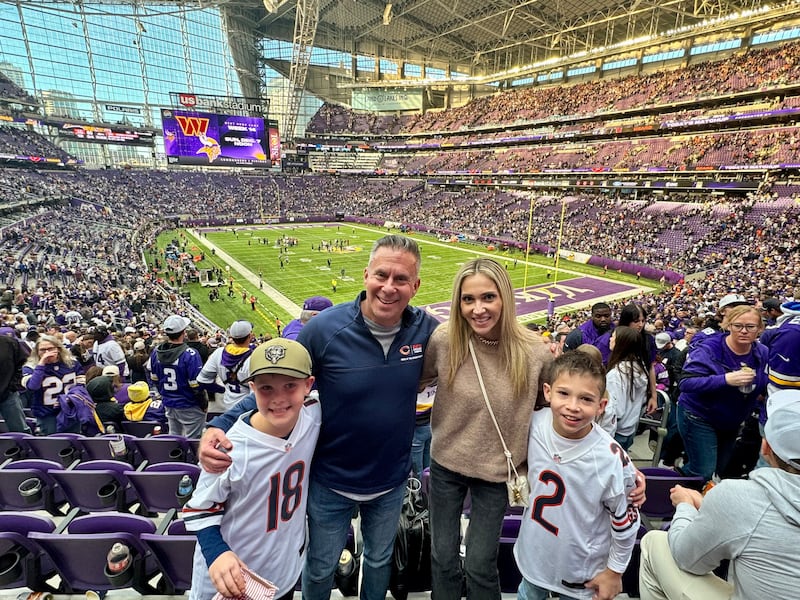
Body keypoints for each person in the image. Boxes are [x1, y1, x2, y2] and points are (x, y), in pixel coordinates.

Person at [197, 235, 439, 600]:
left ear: (415, 286)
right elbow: (278, 383)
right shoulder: (325, 329)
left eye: (401, 279)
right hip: (331, 481)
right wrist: (218, 424)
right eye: (381, 275)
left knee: (379, 560)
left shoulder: (429, 331)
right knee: (321, 565)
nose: (389, 287)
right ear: (366, 275)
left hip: (391, 480)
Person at [419, 258, 554, 600]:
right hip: (447, 464)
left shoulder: (535, 352)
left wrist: (620, 463)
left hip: (498, 472)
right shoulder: (445, 340)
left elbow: (560, 411)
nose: (477, 309)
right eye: (468, 299)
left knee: (480, 562)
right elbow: (410, 380)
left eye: (488, 298)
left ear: (505, 297)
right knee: (443, 557)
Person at [183, 339, 321, 600]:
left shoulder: (313, 414)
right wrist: (218, 554)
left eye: (290, 385)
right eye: (267, 388)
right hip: (233, 579)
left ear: (308, 386)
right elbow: (198, 509)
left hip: (284, 571)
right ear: (252, 389)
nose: (279, 398)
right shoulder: (228, 448)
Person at [638, 389, 800, 600]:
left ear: (766, 447)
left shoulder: (740, 497)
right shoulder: (738, 499)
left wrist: (685, 506)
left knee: (654, 542)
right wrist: (712, 506)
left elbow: (687, 558)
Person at [515, 351, 639, 600]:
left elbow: (625, 525)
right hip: (534, 555)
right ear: (547, 392)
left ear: (601, 405)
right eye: (564, 393)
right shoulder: (534, 423)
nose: (573, 406)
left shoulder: (609, 459)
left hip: (582, 569)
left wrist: (615, 571)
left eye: (585, 399)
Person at [676, 305, 768, 482]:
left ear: (760, 329)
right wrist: (726, 380)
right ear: (728, 325)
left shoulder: (761, 352)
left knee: (719, 467)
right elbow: (686, 382)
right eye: (737, 326)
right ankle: (681, 496)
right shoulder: (710, 349)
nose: (743, 331)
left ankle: (685, 475)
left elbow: (763, 383)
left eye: (750, 327)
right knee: (703, 470)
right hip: (699, 416)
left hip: (731, 421)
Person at [148, 314, 206, 438]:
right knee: (194, 441)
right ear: (183, 332)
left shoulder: (155, 352)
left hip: (168, 402)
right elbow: (196, 386)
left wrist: (165, 396)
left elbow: (155, 380)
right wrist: (203, 404)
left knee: (174, 438)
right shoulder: (190, 354)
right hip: (188, 404)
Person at [22, 334, 85, 434]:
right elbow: (33, 386)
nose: (47, 352)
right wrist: (41, 364)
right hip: (47, 414)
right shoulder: (30, 367)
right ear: (37, 352)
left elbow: (81, 385)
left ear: (58, 349)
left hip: (70, 410)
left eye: (50, 348)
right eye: (42, 350)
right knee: (54, 445)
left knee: (74, 444)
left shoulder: (72, 363)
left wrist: (69, 399)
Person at [605, 326, 651, 451]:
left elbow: (615, 411)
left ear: (621, 343)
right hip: (630, 429)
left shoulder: (616, 375)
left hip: (616, 433)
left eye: (613, 336)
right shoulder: (639, 368)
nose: (610, 339)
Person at [197, 320, 255, 410]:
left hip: (228, 408)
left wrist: (222, 390)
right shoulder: (254, 358)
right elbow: (256, 393)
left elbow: (202, 381)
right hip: (247, 411)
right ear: (250, 336)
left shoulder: (218, 353)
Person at [0, 333, 30, 433]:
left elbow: (23, 363)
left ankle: (25, 449)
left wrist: (13, 385)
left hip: (8, 394)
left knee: (20, 430)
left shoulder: (9, 343)